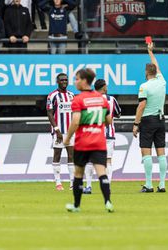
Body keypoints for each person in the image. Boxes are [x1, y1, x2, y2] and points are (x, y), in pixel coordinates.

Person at [63, 68, 114, 213]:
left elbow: (75, 121)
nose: (75, 82)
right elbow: (109, 120)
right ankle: (108, 202)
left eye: (77, 79)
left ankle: (77, 205)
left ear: (84, 81)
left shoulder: (78, 99)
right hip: (99, 141)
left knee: (78, 174)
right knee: (101, 172)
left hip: (83, 142)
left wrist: (67, 138)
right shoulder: (101, 98)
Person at [133, 42, 167, 193]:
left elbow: (141, 106)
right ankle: (162, 184)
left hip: (148, 120)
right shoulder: (162, 81)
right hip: (161, 120)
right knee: (161, 152)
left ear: (147, 73)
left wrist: (136, 123)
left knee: (146, 151)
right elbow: (157, 65)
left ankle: (148, 184)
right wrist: (150, 51)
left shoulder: (144, 87)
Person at [83, 79, 121, 194]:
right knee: (108, 160)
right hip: (109, 135)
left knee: (90, 161)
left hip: (94, 134)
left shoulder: (90, 99)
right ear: (104, 87)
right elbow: (118, 113)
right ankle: (107, 186)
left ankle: (88, 186)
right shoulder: (111, 99)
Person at [46, 73, 75, 191]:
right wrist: (57, 129)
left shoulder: (72, 95)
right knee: (57, 155)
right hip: (59, 131)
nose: (64, 82)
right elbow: (49, 113)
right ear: (57, 82)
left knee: (71, 156)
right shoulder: (52, 96)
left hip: (70, 132)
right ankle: (58, 182)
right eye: (62, 80)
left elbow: (75, 112)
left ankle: (72, 183)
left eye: (66, 80)